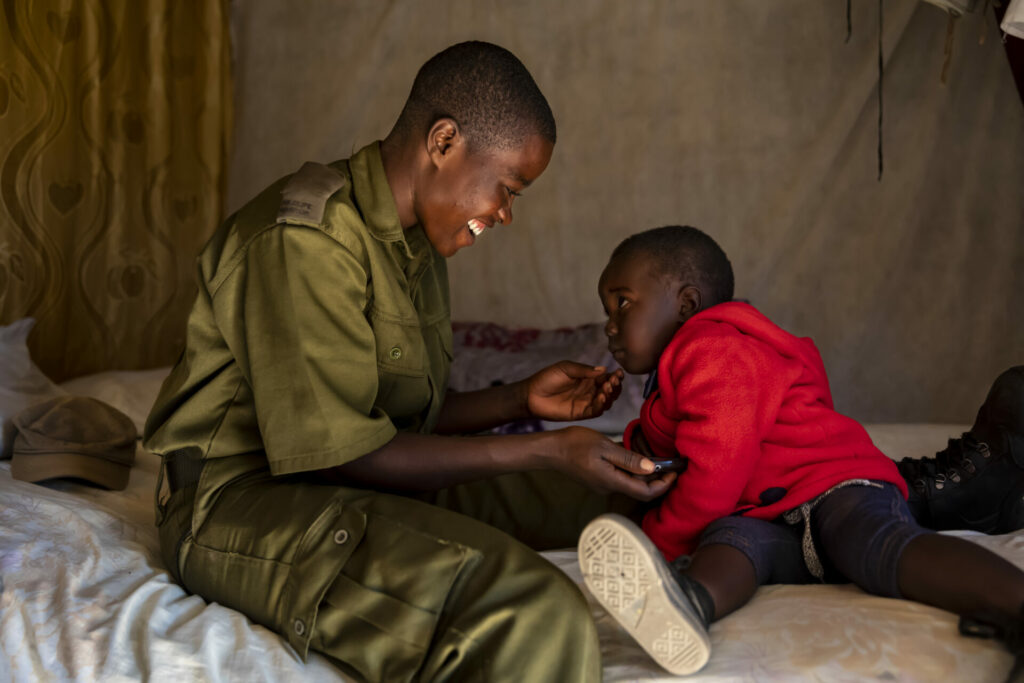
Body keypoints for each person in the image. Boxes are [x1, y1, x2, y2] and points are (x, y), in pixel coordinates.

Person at [146, 40, 1023, 682]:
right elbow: (338, 450)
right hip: (249, 500)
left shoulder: (414, 247)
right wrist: (533, 445)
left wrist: (516, 400)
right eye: (508, 188)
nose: (506, 215)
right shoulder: (307, 239)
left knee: (633, 486)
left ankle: (895, 500)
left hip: (342, 465)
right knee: (534, 616)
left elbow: (390, 420)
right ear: (445, 143)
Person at [577, 225, 1024, 677]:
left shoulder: (715, 347)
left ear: (687, 304)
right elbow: (670, 447)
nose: (609, 325)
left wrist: (662, 540)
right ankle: (689, 604)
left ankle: (1015, 603)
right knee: (734, 543)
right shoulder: (675, 376)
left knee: (873, 543)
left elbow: (718, 463)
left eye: (623, 302)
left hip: (834, 488)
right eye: (606, 310)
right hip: (773, 516)